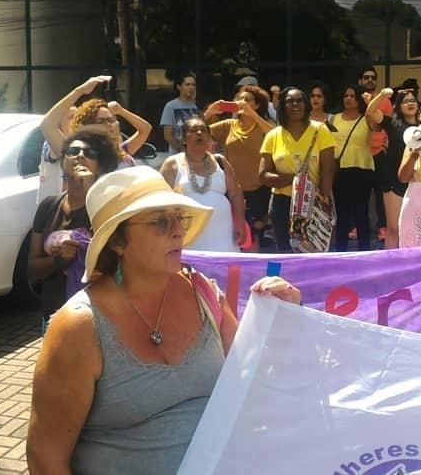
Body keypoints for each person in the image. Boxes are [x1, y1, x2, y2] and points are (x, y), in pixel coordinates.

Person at [26, 166, 302, 474]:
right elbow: (45, 457)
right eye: (159, 221)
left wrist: (284, 317)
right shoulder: (79, 327)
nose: (178, 231)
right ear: (117, 242)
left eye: (179, 217)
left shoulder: (205, 294)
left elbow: (252, 379)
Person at [28, 126, 121, 333]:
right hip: (55, 315)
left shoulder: (108, 206)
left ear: (101, 165)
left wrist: (91, 193)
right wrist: (58, 261)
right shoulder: (48, 206)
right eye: (72, 151)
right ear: (62, 160)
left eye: (90, 153)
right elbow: (32, 269)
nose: (79, 156)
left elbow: (111, 263)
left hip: (98, 317)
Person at [259, 87, 336, 252]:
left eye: (299, 100)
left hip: (313, 202)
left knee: (313, 252)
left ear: (306, 104)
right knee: (285, 252)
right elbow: (263, 175)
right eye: (289, 101)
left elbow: (328, 169)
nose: (295, 105)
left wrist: (323, 200)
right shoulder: (273, 135)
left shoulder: (320, 130)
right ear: (282, 106)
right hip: (282, 203)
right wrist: (295, 180)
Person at [160, 117, 247, 253]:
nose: (199, 133)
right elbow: (161, 199)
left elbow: (235, 194)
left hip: (223, 234)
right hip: (187, 235)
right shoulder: (172, 164)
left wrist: (240, 223)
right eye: (194, 130)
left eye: (204, 130)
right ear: (183, 138)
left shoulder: (221, 161)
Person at [205, 85, 275, 251]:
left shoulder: (264, 125)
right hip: (232, 190)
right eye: (240, 99)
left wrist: (253, 115)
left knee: (254, 236)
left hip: (258, 189)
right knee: (233, 234)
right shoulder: (229, 125)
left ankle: (253, 274)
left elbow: (276, 135)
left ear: (257, 105)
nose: (242, 102)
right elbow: (196, 132)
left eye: (247, 100)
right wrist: (209, 113)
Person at [42, 76, 152, 171]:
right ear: (86, 127)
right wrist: (79, 91)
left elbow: (145, 129)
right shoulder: (78, 156)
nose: (109, 124)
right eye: (101, 121)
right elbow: (47, 125)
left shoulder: (121, 152)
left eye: (111, 120)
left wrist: (121, 111)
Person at [331, 84, 386, 252]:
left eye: (353, 96)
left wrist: (372, 100)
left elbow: (378, 125)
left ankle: (364, 251)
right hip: (339, 169)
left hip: (362, 169)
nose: (348, 99)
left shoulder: (366, 118)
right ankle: (340, 251)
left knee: (361, 212)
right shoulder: (333, 119)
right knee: (342, 214)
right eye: (346, 96)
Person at [375, 88, 421, 249]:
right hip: (393, 180)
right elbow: (370, 113)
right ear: (399, 106)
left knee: (415, 228)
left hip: (418, 181)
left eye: (413, 100)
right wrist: (381, 96)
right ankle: (390, 267)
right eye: (406, 101)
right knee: (394, 228)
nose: (410, 103)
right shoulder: (393, 124)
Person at [359, 68, 392, 243]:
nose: (370, 80)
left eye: (373, 77)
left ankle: (383, 227)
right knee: (360, 193)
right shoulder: (355, 99)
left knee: (381, 193)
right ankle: (356, 226)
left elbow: (389, 122)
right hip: (362, 152)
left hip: (380, 151)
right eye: (366, 77)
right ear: (360, 80)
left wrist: (386, 144)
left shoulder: (384, 99)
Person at [160, 72, 200, 154]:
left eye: (193, 85)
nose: (191, 87)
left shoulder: (197, 106)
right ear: (179, 87)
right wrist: (181, 149)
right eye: (187, 84)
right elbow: (167, 135)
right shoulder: (171, 106)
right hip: (178, 155)